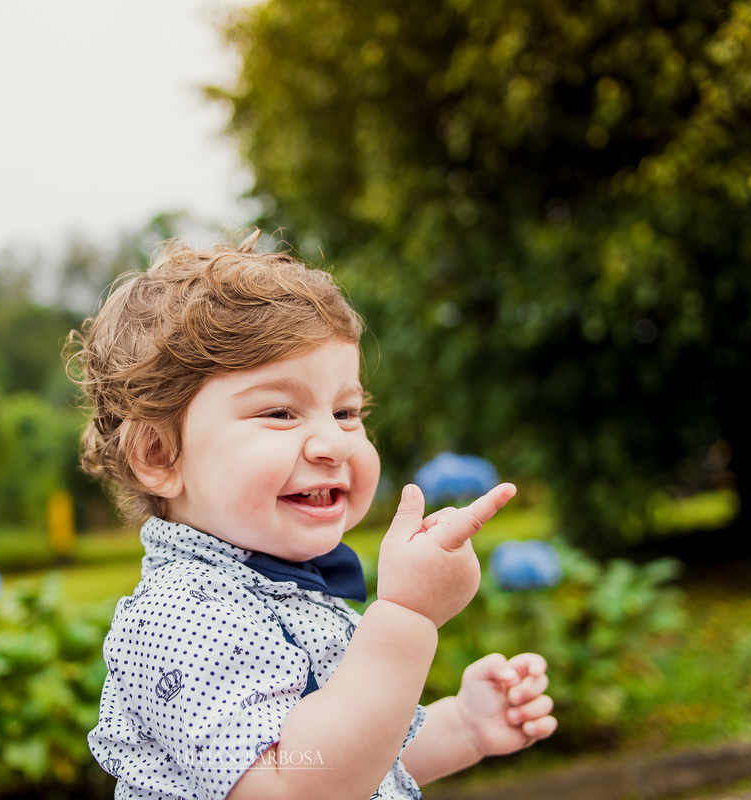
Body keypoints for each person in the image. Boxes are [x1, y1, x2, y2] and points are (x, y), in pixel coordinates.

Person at [73, 232, 556, 800]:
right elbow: (295, 784)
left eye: (347, 411)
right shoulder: (180, 617)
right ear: (159, 455)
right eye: (280, 412)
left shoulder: (283, 590)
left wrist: (464, 727)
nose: (334, 442)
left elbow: (357, 759)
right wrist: (406, 616)